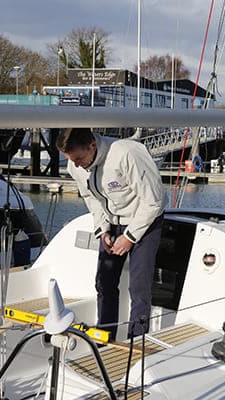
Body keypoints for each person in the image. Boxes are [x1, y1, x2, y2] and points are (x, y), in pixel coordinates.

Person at [56, 128, 165, 340]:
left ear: (93, 146)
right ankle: (104, 337)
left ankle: (137, 341)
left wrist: (130, 237)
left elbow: (154, 201)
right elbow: (91, 199)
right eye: (71, 160)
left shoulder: (127, 154)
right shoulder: (76, 166)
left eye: (79, 158)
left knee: (139, 287)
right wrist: (102, 229)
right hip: (112, 223)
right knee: (103, 283)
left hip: (145, 220)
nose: (76, 165)